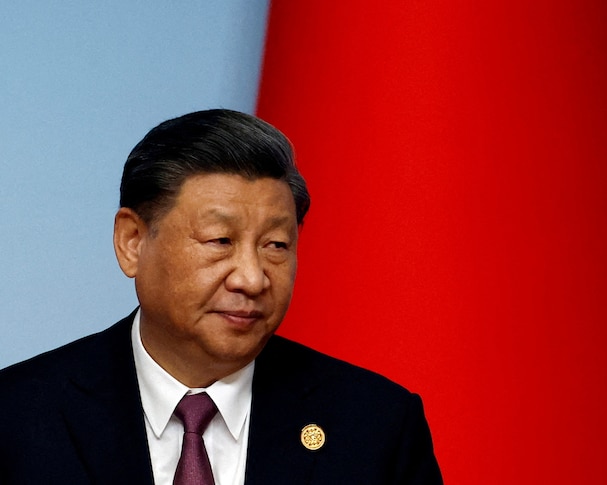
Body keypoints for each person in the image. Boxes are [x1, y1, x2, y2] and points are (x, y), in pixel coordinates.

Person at [0, 109, 443, 484]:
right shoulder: (17, 417)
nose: (252, 279)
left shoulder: (375, 425)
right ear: (132, 241)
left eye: (276, 246)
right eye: (220, 240)